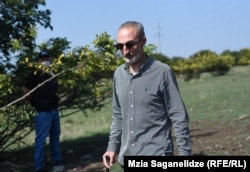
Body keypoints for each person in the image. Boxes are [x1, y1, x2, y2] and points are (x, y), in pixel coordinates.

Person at [102, 21, 193, 170]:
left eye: (130, 45)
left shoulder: (162, 72)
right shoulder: (118, 75)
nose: (125, 51)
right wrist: (112, 148)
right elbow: (118, 115)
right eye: (120, 46)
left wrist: (184, 155)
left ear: (143, 41)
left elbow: (178, 116)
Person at [24, 51, 66, 172]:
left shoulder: (52, 73)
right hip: (42, 111)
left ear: (50, 58)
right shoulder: (33, 75)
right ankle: (38, 166)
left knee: (55, 137)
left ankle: (56, 160)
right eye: (42, 58)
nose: (45, 60)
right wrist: (35, 104)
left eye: (47, 57)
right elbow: (27, 93)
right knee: (41, 139)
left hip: (54, 109)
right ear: (38, 60)